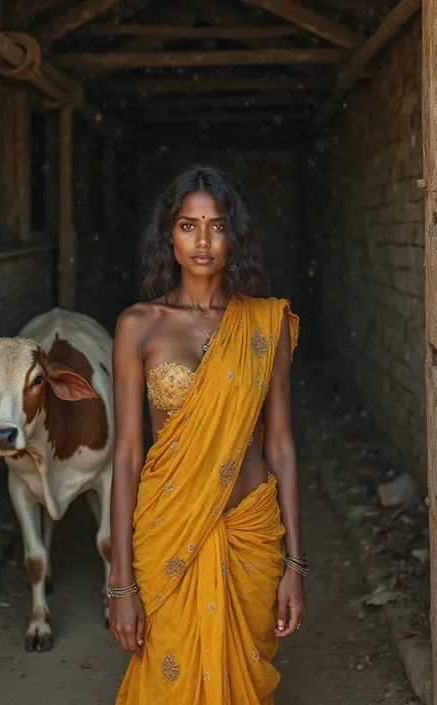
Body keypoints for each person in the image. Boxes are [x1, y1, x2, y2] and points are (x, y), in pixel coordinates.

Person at [108, 165, 307, 705]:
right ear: (167, 236)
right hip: (168, 533)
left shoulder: (266, 325)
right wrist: (121, 582)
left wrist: (295, 562)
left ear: (233, 236)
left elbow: (281, 444)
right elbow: (127, 456)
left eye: (216, 226)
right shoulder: (139, 326)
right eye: (187, 224)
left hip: (250, 534)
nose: (202, 240)